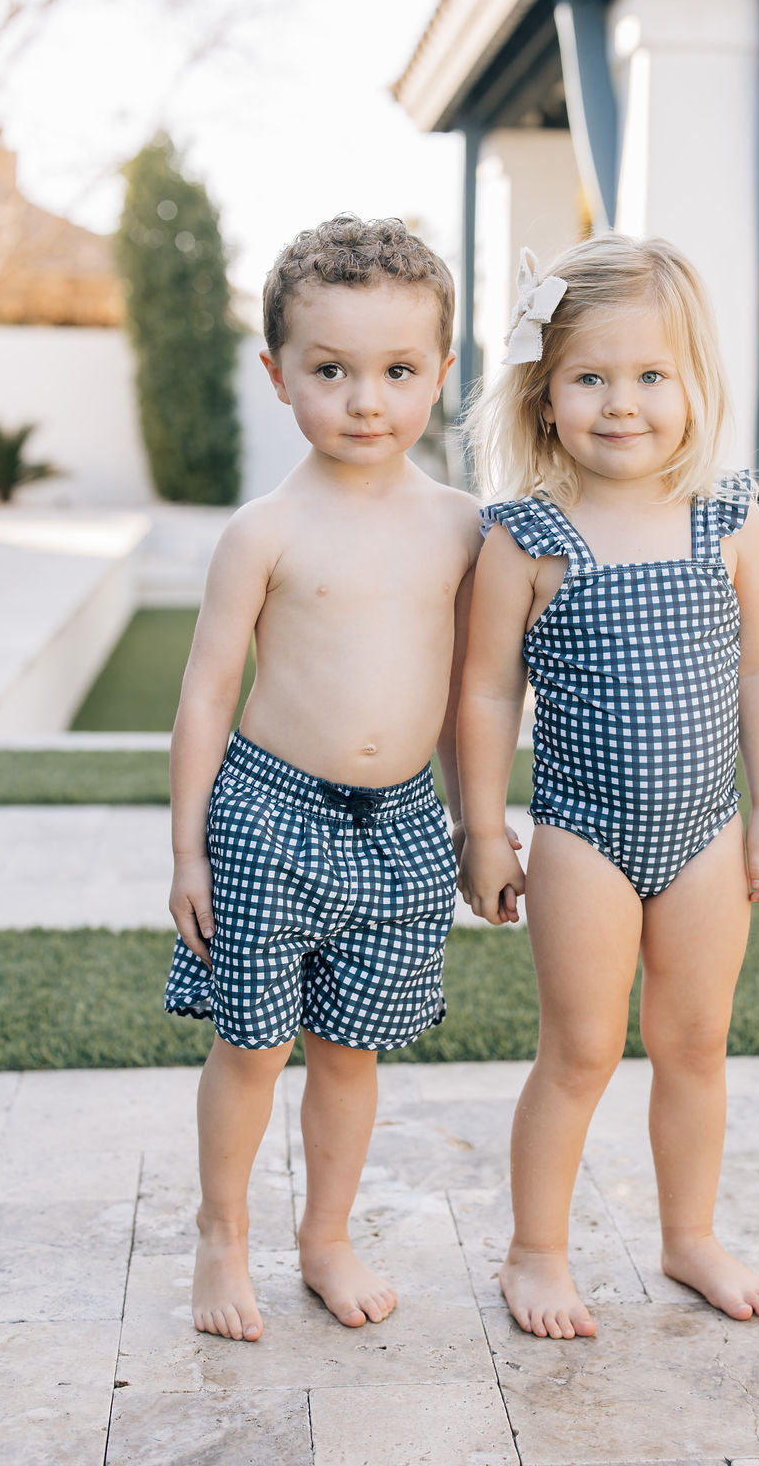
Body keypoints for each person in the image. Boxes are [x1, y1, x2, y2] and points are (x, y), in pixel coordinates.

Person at [458, 235, 759, 1341]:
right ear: (544, 395)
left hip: (704, 830)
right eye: (590, 377)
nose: (622, 404)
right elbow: (485, 695)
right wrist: (482, 826)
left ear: (695, 385)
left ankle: (688, 1234)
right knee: (582, 1047)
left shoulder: (728, 516)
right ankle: (535, 1251)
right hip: (581, 837)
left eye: (652, 375)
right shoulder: (528, 539)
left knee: (696, 1041)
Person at [164, 213, 482, 1343]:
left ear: (441, 374)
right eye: (331, 370)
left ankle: (326, 1237)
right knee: (251, 1046)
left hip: (401, 827)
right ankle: (222, 1235)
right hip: (266, 815)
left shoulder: (462, 528)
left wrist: (478, 829)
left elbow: (470, 697)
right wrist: (189, 846)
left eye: (398, 371)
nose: (366, 401)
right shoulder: (264, 532)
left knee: (350, 1051)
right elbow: (205, 695)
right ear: (278, 374)